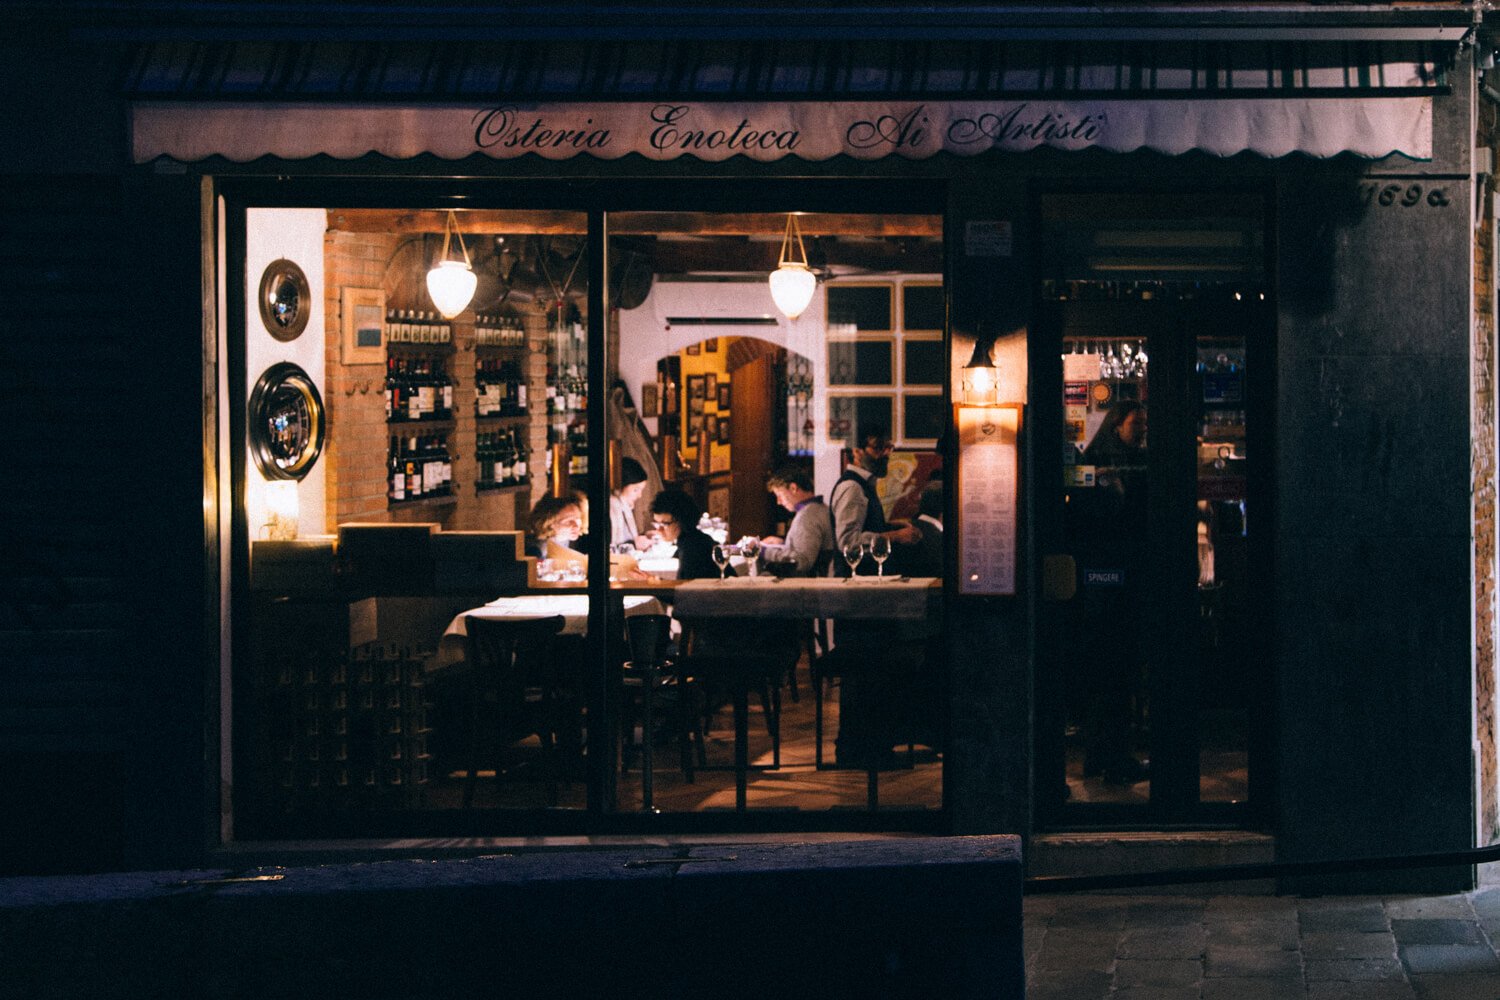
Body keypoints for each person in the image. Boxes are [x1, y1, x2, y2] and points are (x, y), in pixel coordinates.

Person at [1072, 399, 1149, 786]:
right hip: (1112, 580)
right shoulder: (1108, 464)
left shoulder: (1111, 457)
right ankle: (1114, 757)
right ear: (1118, 423)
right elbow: (1108, 518)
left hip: (1101, 581)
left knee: (1105, 672)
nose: (1142, 430)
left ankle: (1098, 755)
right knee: (1116, 669)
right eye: (1137, 423)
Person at [829, 427, 920, 575]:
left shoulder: (863, 484)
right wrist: (896, 536)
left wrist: (889, 526)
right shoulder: (853, 488)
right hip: (854, 586)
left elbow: (862, 527)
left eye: (888, 447)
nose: (886, 453)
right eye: (878, 448)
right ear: (856, 451)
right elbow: (849, 543)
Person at [760, 464, 834, 576]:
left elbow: (801, 562)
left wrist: (763, 551)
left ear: (793, 488)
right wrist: (784, 543)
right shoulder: (820, 508)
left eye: (780, 495)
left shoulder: (808, 515)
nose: (778, 502)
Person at [649, 489, 730, 580]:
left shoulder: (693, 547)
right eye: (657, 523)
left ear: (682, 521)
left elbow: (686, 591)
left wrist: (652, 581)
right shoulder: (695, 539)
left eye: (665, 524)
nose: (659, 530)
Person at [526, 495, 587, 575]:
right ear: (550, 523)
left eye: (577, 518)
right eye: (568, 521)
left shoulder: (568, 540)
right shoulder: (538, 551)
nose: (576, 525)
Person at [609, 457, 654, 551]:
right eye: (636, 490)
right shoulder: (610, 507)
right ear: (621, 486)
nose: (640, 495)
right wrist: (634, 544)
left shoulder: (624, 507)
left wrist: (645, 537)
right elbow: (610, 549)